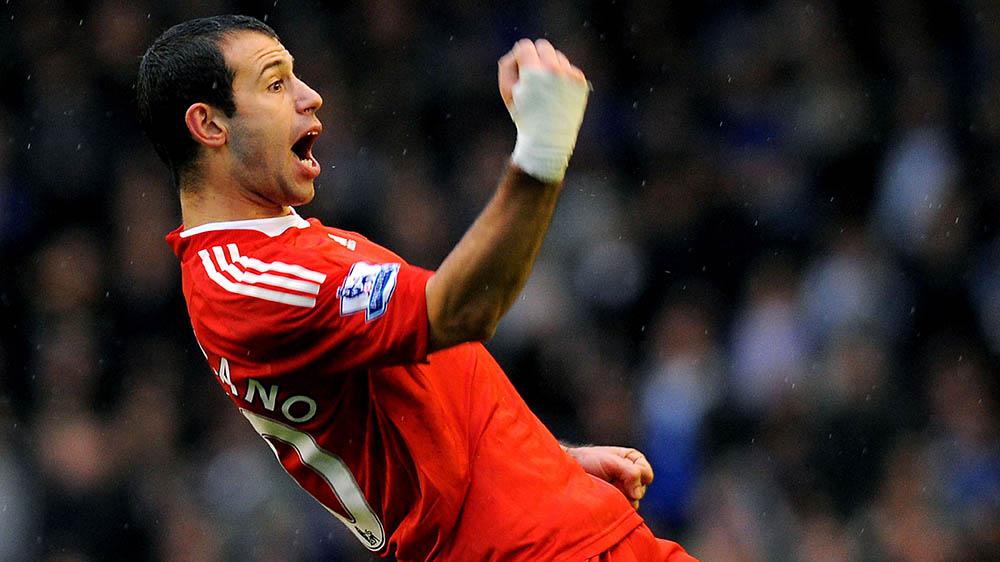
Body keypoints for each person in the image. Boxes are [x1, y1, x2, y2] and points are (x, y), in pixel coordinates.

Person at [137, 14, 697, 562]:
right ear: (210, 125)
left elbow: (407, 416)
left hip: (568, 528)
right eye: (277, 83)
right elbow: (462, 311)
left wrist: (549, 460)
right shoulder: (250, 283)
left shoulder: (288, 251)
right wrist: (542, 148)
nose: (311, 97)